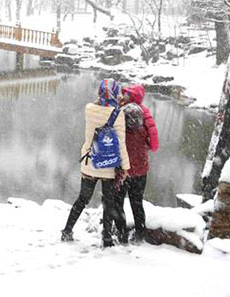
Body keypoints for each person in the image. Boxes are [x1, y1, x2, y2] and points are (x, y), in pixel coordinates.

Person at [60, 78, 130, 247]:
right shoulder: (118, 113)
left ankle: (67, 230)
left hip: (91, 161)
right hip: (109, 163)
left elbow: (99, 108)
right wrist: (126, 167)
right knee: (108, 202)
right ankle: (106, 238)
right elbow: (120, 142)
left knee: (82, 199)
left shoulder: (89, 109)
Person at [119, 84, 159, 244]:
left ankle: (121, 233)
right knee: (137, 202)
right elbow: (154, 145)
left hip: (123, 168)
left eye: (127, 94)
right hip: (140, 169)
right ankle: (140, 233)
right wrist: (143, 146)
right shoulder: (146, 114)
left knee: (118, 201)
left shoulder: (120, 112)